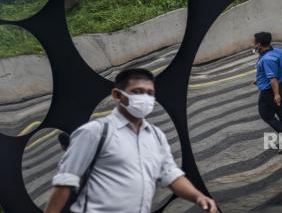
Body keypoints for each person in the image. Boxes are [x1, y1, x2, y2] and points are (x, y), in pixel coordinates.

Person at [45, 68, 217, 213]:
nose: (145, 98)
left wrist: (198, 196)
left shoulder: (156, 135)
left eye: (150, 93)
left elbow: (171, 176)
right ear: (117, 95)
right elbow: (64, 183)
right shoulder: (95, 131)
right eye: (137, 92)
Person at [252, 32, 282, 153]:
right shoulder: (278, 52)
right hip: (281, 84)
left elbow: (272, 78)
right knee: (279, 111)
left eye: (254, 42)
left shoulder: (267, 59)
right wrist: (259, 79)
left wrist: (276, 94)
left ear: (259, 44)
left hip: (270, 90)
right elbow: (280, 66)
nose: (252, 45)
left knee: (266, 114)